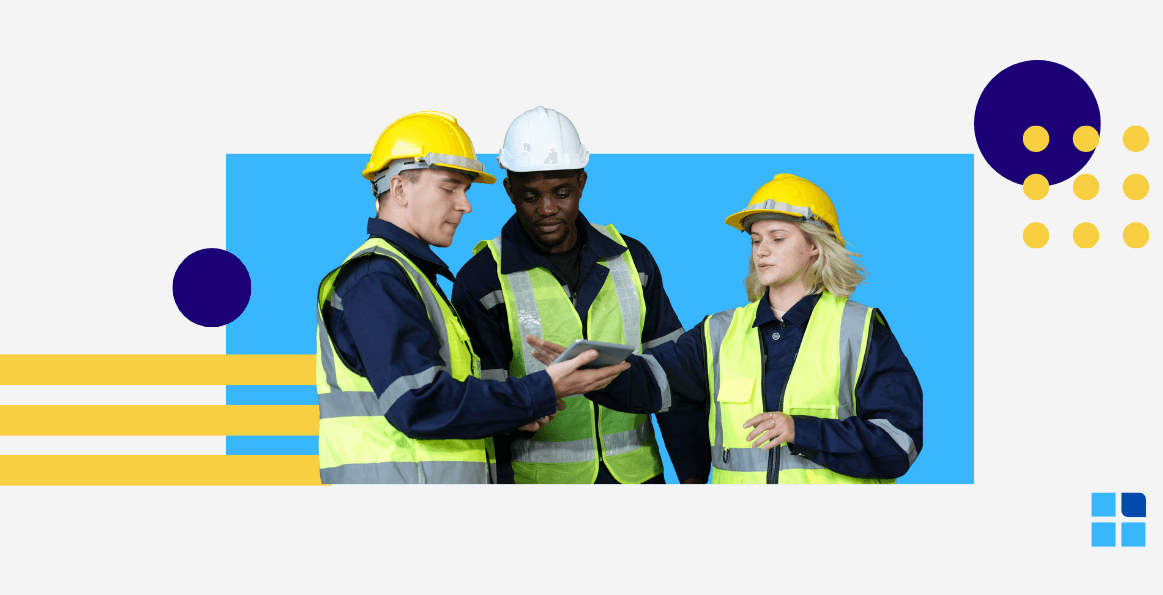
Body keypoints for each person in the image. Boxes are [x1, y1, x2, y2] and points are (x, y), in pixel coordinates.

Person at [528, 174, 922, 484]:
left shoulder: (860, 329)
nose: (761, 250)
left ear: (815, 247)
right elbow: (653, 380)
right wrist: (588, 367)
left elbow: (899, 443)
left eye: (778, 238)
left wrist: (801, 431)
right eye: (755, 240)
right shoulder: (719, 332)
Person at [315, 111, 627, 484]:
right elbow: (420, 404)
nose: (465, 205)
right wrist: (543, 389)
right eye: (449, 188)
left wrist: (513, 414)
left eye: (465, 190)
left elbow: (442, 399)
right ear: (399, 189)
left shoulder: (408, 276)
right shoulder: (377, 280)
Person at [452, 106, 710, 484]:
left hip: (638, 477)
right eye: (530, 196)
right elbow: (482, 405)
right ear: (509, 190)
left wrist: (692, 476)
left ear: (581, 183)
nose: (547, 209)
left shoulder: (633, 260)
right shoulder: (483, 280)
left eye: (561, 193)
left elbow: (673, 377)